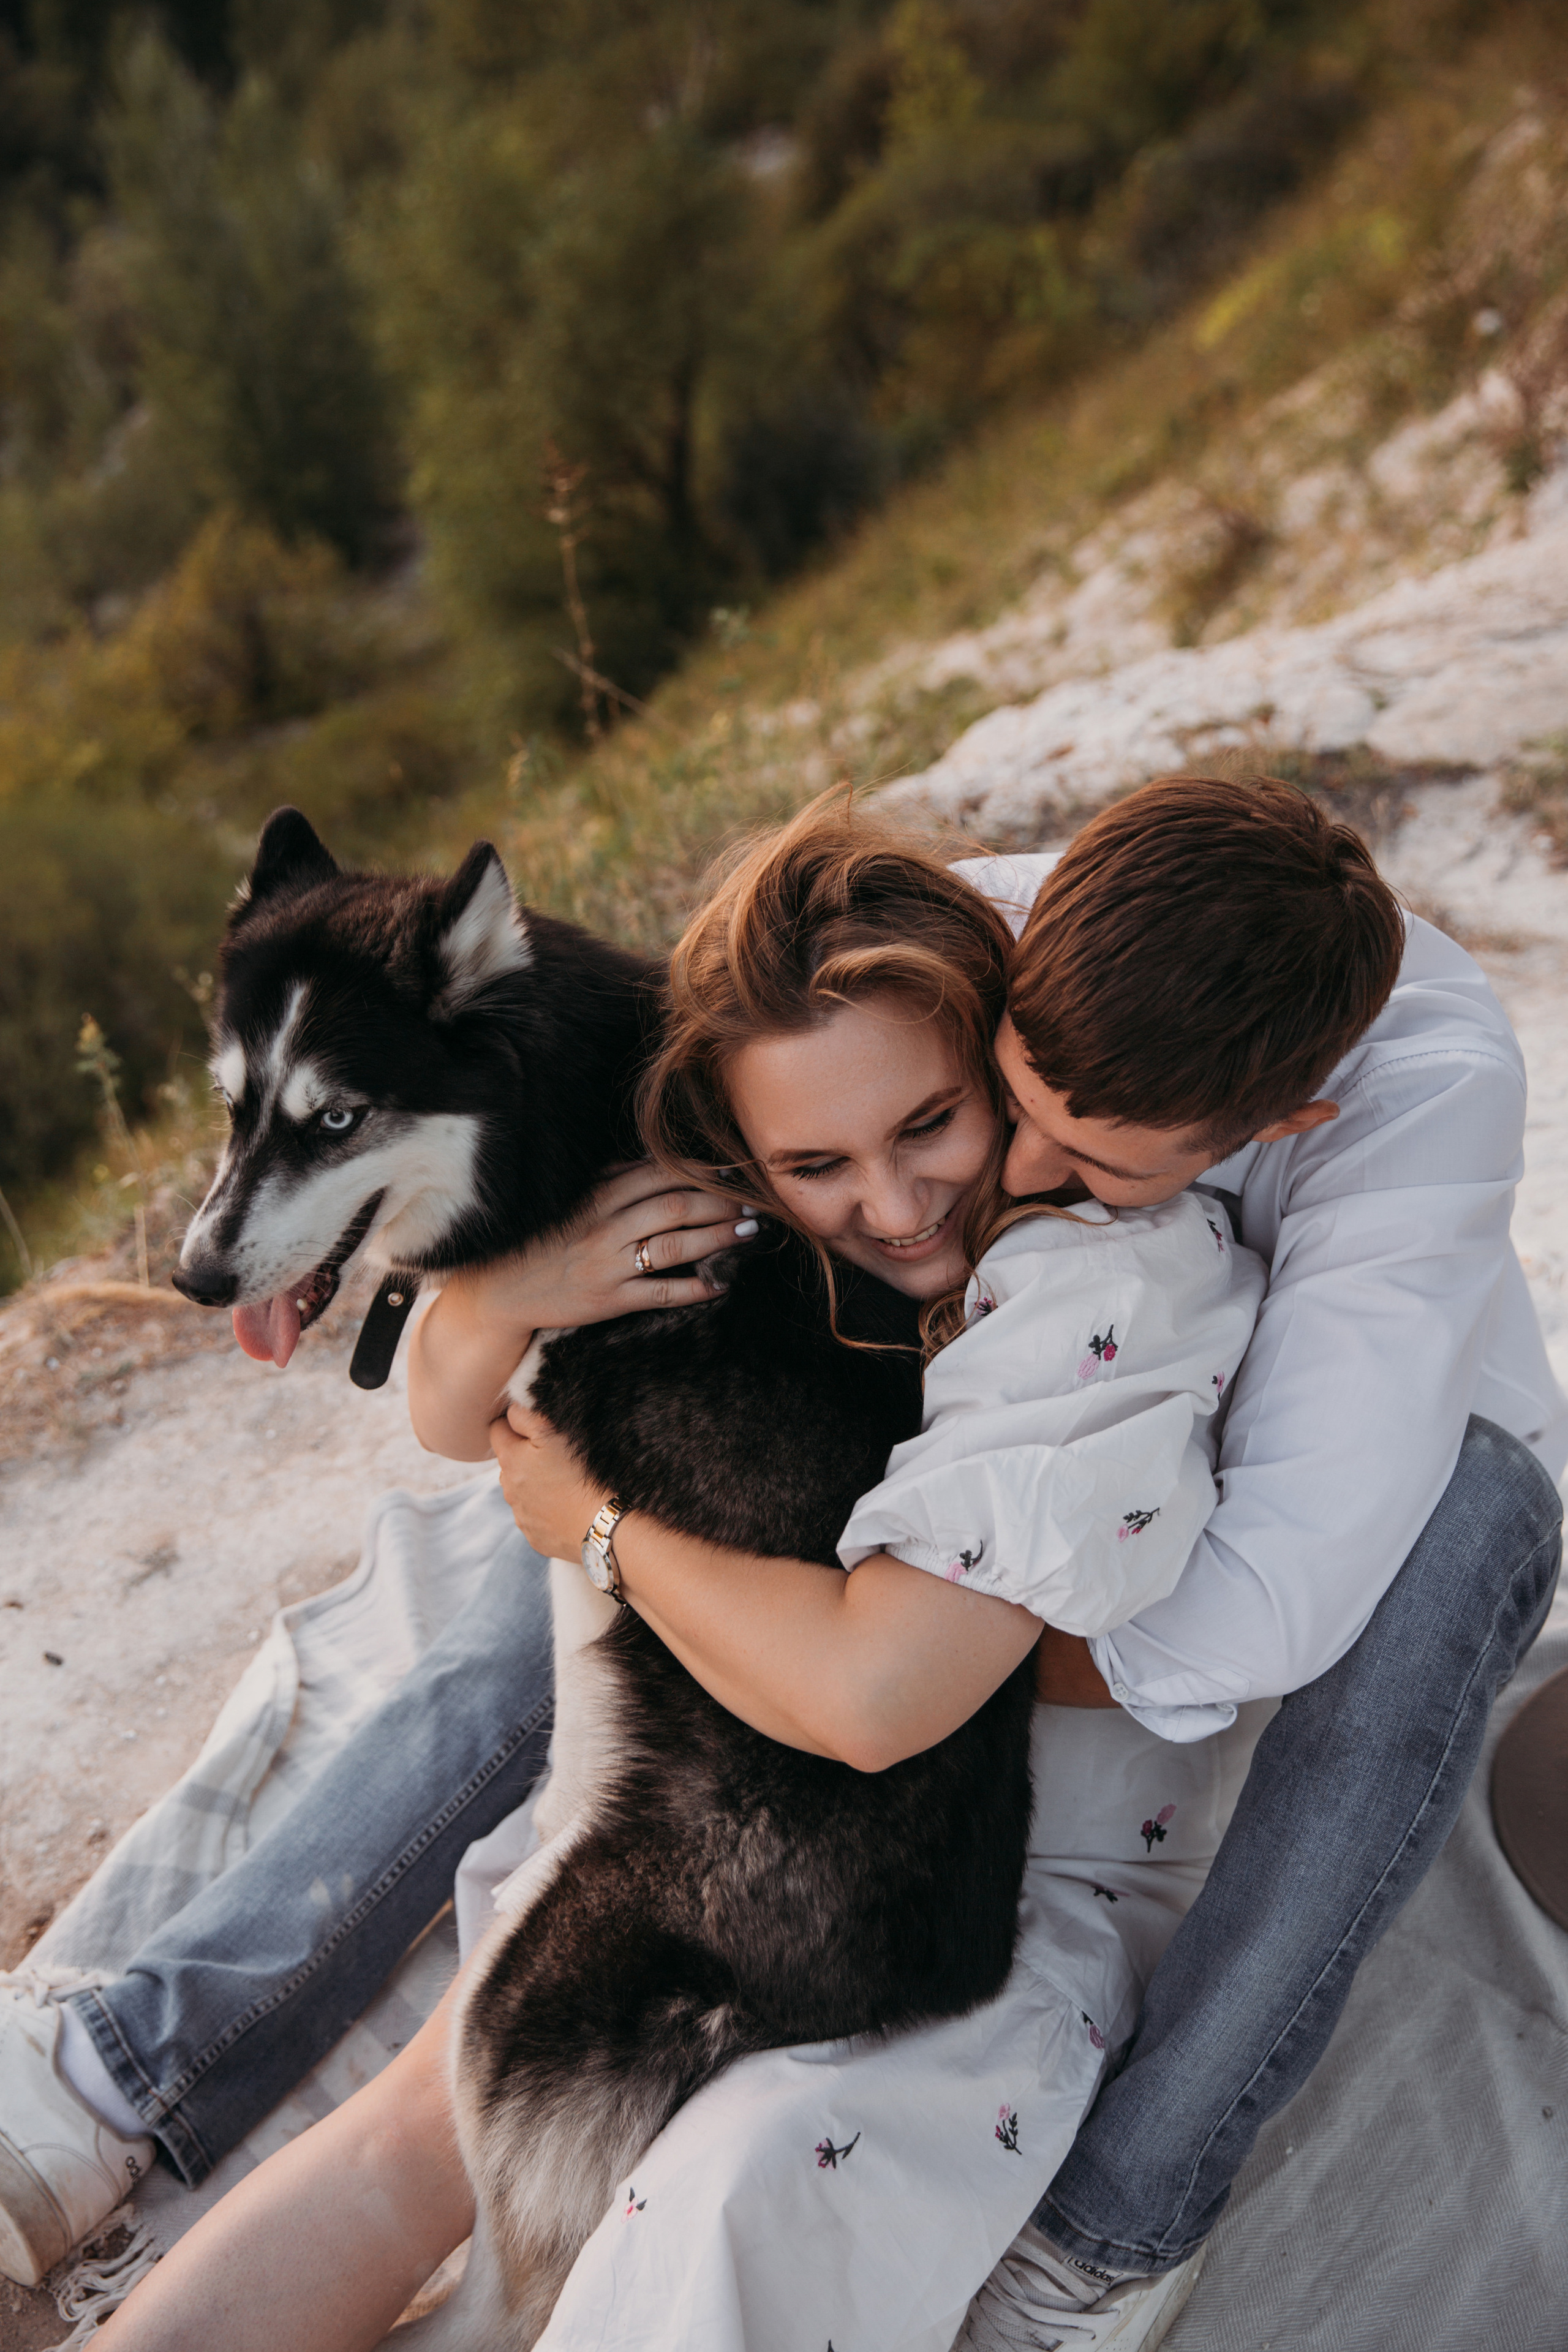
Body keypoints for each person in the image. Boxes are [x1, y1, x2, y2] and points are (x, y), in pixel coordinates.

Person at [1, 776, 1558, 2346]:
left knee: (656, 2157)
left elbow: (1191, 1639)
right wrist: (507, 1304)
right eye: (1000, 1100)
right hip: (764, 1706)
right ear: (1007, 986)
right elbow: (476, 1409)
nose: (1003, 1169)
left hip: (1058, 1699)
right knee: (440, 2077)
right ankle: (120, 2074)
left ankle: (1120, 2232)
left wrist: (652, 1551)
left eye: (1049, 1141)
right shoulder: (914, 992)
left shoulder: (1242, 1228)